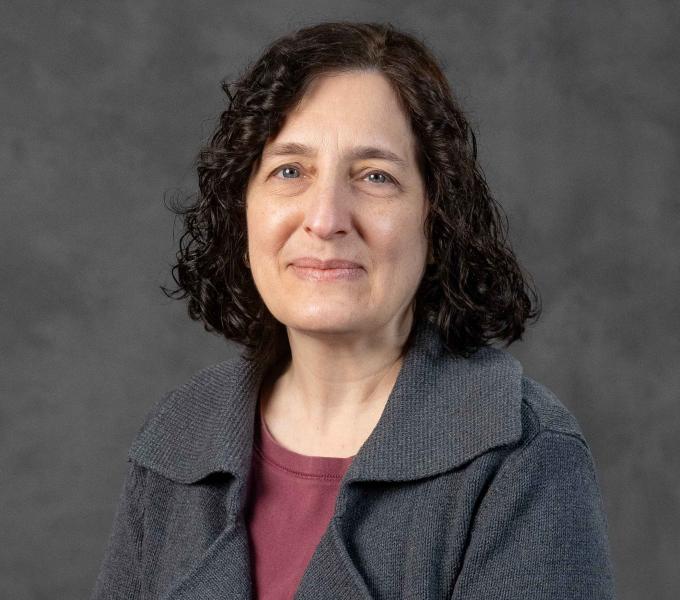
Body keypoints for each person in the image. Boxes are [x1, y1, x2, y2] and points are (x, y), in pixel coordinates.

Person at [90, 20, 616, 599]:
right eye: (290, 170)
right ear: (244, 208)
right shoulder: (179, 437)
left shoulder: (523, 457)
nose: (325, 218)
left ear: (436, 219)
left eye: (374, 177)